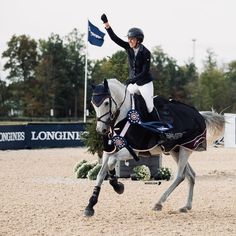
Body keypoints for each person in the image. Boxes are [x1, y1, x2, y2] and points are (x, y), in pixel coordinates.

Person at [101, 14, 159, 120]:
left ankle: (159, 126)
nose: (129, 41)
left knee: (150, 107)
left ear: (138, 40)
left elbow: (145, 71)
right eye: (129, 39)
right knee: (124, 102)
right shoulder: (128, 47)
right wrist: (106, 24)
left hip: (144, 83)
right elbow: (114, 38)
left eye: (132, 39)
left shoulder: (145, 52)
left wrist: (132, 80)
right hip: (133, 83)